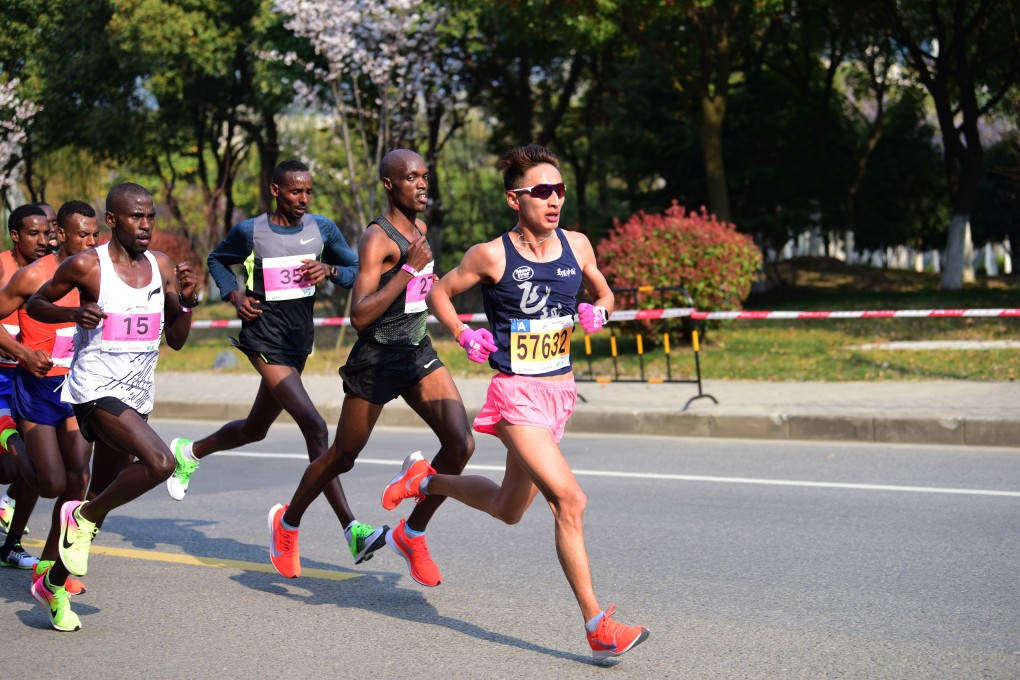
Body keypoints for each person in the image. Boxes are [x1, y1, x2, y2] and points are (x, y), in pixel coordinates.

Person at [386, 144, 649, 660]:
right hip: (514, 396)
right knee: (569, 501)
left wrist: (601, 311)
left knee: (509, 510)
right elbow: (438, 290)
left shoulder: (578, 245)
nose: (554, 200)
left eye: (560, 190)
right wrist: (463, 333)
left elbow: (605, 294)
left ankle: (425, 480)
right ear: (515, 199)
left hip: (559, 394)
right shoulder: (492, 254)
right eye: (542, 192)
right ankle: (597, 626)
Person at [268, 149, 473, 585]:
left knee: (460, 444)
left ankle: (412, 532)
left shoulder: (418, 230)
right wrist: (405, 270)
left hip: (417, 351)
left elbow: (421, 290)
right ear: (389, 184)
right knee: (342, 457)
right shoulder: (377, 239)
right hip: (377, 358)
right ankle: (287, 523)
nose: (422, 185)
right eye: (411, 177)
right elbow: (359, 315)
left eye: (425, 177)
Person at [163, 160, 379, 566]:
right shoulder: (251, 231)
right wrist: (235, 296)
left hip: (298, 342)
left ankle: (189, 452)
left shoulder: (322, 229)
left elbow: (355, 270)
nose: (303, 199)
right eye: (295, 192)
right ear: (275, 190)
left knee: (255, 429)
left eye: (308, 192)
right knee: (314, 426)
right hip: (263, 337)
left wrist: (329, 269)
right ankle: (352, 530)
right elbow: (216, 260)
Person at [26, 182, 198, 632]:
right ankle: (78, 515)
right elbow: (37, 302)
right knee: (160, 463)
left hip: (137, 395)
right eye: (136, 217)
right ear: (112, 220)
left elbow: (176, 340)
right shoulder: (87, 264)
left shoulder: (160, 266)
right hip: (95, 391)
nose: (146, 225)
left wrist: (190, 302)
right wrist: (71, 315)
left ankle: (54, 585)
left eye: (151, 217)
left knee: (102, 498)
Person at [0, 200, 100, 595]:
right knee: (50, 482)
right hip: (35, 387)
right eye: (83, 235)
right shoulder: (33, 276)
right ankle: (8, 438)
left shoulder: (97, 273)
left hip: (77, 388)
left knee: (80, 477)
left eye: (95, 235)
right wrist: (23, 352)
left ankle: (50, 566)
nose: (91, 242)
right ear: (62, 234)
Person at [0, 203, 50, 568]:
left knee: (34, 465)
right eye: (34, 234)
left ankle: (12, 544)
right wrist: (21, 352)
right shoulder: (3, 267)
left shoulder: (53, 272)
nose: (42, 241)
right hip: (2, 374)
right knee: (10, 468)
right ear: (15, 235)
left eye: (47, 234)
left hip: (29, 378)